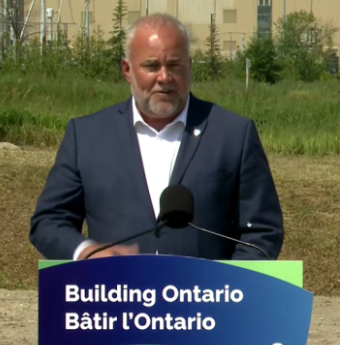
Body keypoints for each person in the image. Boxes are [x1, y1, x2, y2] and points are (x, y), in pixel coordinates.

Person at [29, 13, 284, 261]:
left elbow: (261, 232)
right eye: (151, 66)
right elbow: (49, 222)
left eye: (174, 65)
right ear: (127, 70)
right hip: (116, 296)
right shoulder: (86, 136)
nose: (164, 78)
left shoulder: (233, 134)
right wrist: (86, 251)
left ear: (190, 67)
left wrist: (227, 289)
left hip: (203, 299)